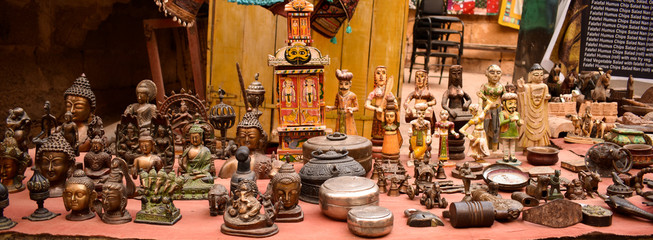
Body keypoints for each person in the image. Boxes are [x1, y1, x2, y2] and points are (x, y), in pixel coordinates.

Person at [517, 63, 551, 149]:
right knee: (528, 129)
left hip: (541, 113)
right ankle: (527, 148)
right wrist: (521, 89)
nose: (539, 77)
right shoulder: (527, 87)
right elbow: (521, 94)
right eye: (536, 75)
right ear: (530, 76)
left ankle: (540, 147)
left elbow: (546, 96)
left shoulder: (544, 86)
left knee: (541, 128)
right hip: (529, 113)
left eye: (541, 75)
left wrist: (547, 97)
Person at [477, 65, 504, 151]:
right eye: (492, 72)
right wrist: (480, 109)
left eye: (498, 72)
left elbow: (505, 98)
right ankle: (485, 149)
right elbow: (480, 97)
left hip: (498, 110)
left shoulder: (501, 87)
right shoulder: (484, 86)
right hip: (486, 110)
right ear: (487, 74)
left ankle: (495, 149)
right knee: (485, 129)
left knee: (496, 129)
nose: (495, 75)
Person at [326, 69, 359, 135]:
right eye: (341, 84)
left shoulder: (352, 95)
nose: (343, 86)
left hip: (348, 117)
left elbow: (357, 107)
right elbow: (336, 106)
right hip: (340, 116)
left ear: (350, 84)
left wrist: (352, 109)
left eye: (346, 84)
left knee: (349, 132)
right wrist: (330, 108)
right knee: (339, 132)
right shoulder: (338, 94)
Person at [499, 90, 522, 164]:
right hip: (506, 132)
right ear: (504, 104)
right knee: (505, 145)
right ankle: (505, 156)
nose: (513, 106)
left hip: (513, 132)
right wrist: (510, 119)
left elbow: (518, 122)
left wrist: (520, 123)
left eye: (515, 103)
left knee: (512, 145)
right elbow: (501, 123)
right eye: (510, 103)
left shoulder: (516, 113)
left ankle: (512, 155)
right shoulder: (502, 113)